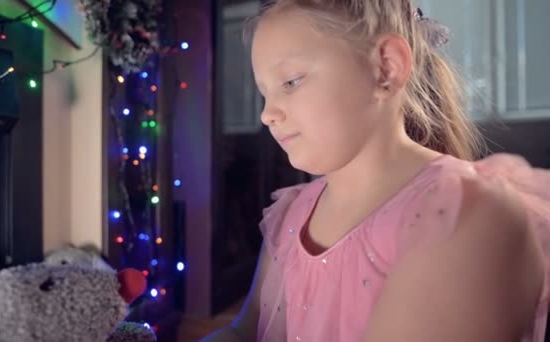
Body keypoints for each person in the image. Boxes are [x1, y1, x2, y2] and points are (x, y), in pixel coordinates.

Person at [203, 0, 550, 341]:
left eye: (291, 82)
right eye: (264, 92)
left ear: (386, 67)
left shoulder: (472, 213)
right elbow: (243, 331)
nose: (267, 114)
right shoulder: (292, 213)